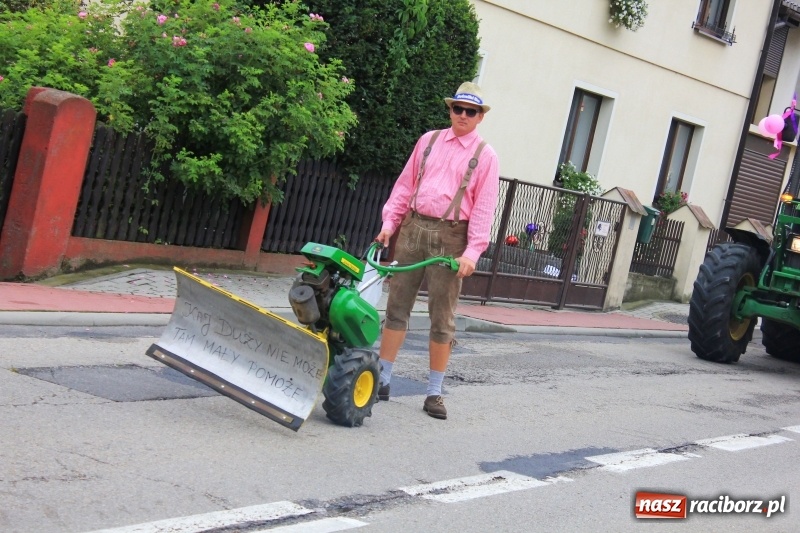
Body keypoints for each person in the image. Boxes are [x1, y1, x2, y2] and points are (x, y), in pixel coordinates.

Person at [373, 81, 500, 420]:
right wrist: (389, 224)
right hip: (413, 229)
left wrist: (472, 252)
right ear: (450, 110)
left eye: (470, 111)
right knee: (397, 306)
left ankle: (433, 392)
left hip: (451, 237)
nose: (462, 115)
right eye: (458, 108)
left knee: (441, 316)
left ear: (479, 117)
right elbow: (404, 186)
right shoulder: (427, 141)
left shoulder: (486, 156)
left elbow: (485, 208)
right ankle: (382, 379)